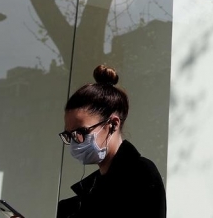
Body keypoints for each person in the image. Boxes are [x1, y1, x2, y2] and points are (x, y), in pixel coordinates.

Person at [56, 65, 166, 218]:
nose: (76, 142)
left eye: (80, 132)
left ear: (113, 124)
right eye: (70, 135)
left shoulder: (140, 174)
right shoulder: (93, 187)